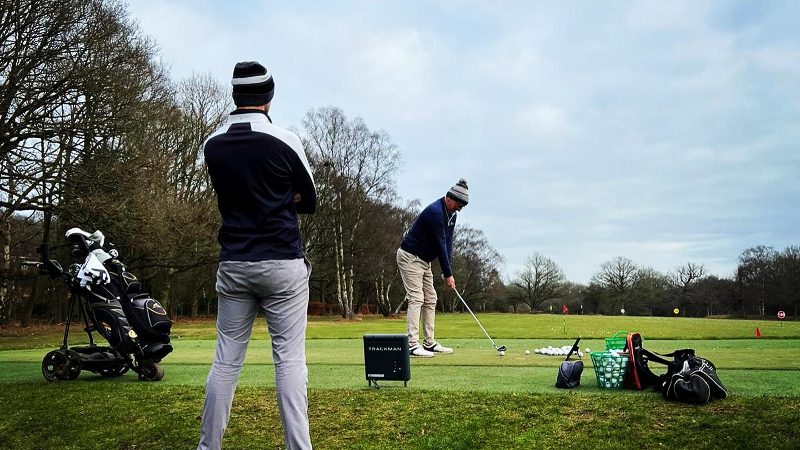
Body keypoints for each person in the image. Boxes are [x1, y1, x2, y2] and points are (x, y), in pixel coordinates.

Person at [198, 61, 317, 450]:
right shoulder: (285, 140)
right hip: (282, 262)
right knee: (289, 362)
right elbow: (310, 200)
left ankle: (208, 446)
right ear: (269, 97)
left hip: (234, 263)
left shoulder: (212, 144)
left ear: (235, 96)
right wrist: (283, 197)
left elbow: (236, 193)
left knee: (225, 362)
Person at [397, 179, 469, 357]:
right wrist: (448, 274)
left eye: (462, 207)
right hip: (410, 257)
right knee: (416, 298)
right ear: (449, 198)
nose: (459, 209)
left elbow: (448, 243)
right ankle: (411, 345)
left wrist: (447, 271)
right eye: (458, 205)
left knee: (431, 298)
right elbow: (440, 245)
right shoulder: (435, 213)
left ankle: (428, 343)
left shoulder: (451, 215)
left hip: (424, 260)